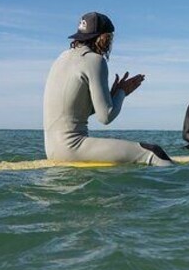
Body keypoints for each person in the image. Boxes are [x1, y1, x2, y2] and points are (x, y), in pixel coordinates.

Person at [43, 12, 173, 166]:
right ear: (104, 38)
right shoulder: (95, 60)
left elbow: (74, 110)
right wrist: (122, 92)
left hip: (51, 149)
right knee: (153, 152)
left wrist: (111, 95)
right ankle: (181, 189)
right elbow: (106, 117)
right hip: (72, 148)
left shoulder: (62, 58)